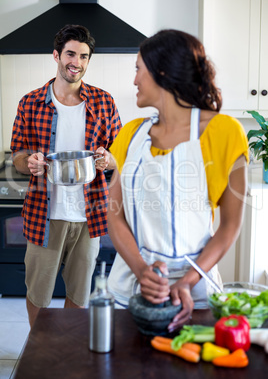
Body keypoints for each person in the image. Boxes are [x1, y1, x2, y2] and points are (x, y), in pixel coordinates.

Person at [107, 29, 249, 332]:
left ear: (161, 71)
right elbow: (113, 215)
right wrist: (142, 271)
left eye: (137, 69)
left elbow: (229, 226)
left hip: (194, 296)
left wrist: (187, 280)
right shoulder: (129, 135)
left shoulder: (224, 132)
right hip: (130, 290)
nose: (134, 80)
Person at [10, 24, 122, 328]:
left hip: (89, 216)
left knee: (79, 292)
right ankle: (39, 350)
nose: (77, 62)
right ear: (57, 55)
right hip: (44, 214)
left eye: (84, 56)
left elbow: (118, 155)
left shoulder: (103, 102)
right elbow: (18, 155)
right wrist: (29, 161)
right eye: (71, 54)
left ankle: (68, 353)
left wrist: (108, 159)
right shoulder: (30, 102)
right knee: (38, 293)